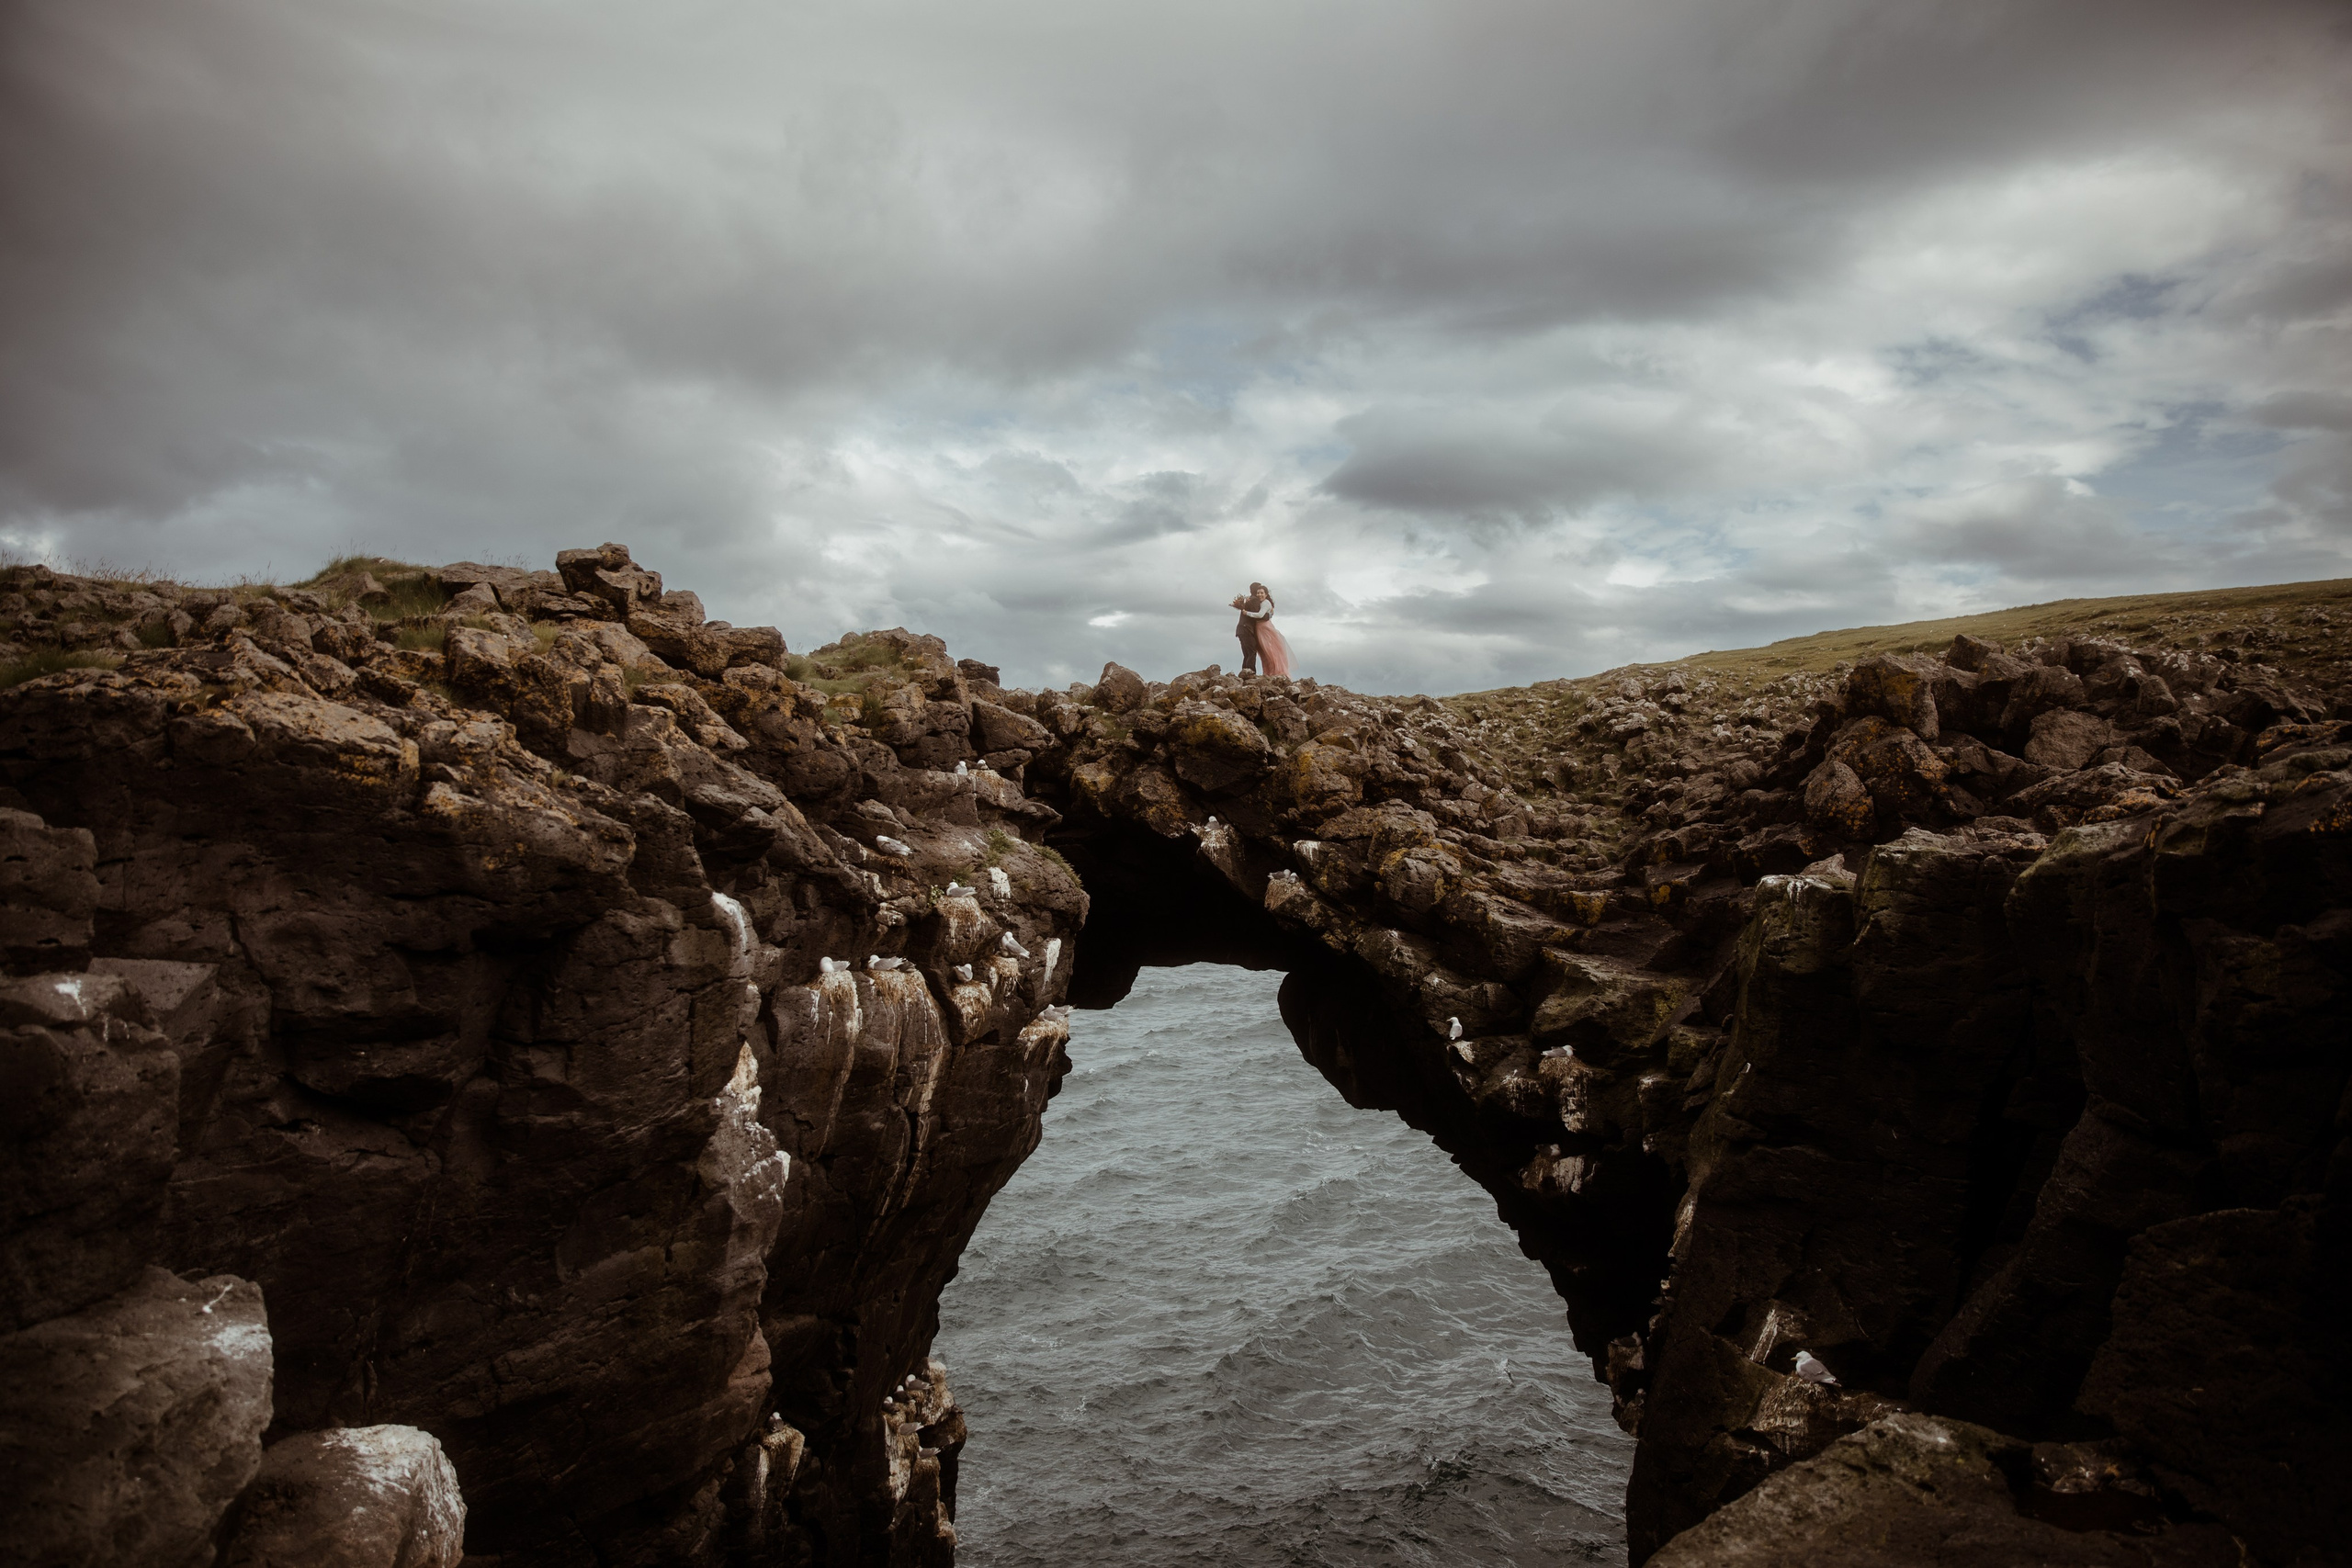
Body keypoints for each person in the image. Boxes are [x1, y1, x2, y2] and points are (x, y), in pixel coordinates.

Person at [1230, 581, 1293, 678]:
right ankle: (1250, 674)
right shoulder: (1254, 600)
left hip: (1250, 630)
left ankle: (1247, 673)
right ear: (1255, 591)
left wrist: (1267, 614)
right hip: (1248, 629)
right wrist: (1268, 615)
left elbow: (1259, 614)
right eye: (1258, 591)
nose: (1259, 594)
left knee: (1252, 653)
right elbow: (1259, 615)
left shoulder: (1252, 600)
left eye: (1262, 592)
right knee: (1252, 653)